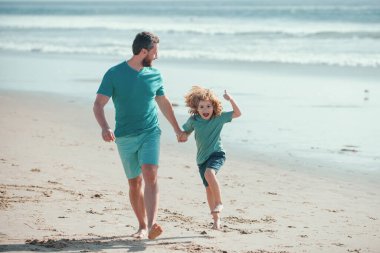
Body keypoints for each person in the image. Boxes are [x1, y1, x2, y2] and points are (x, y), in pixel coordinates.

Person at [93, 31, 184, 240]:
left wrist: (177, 128)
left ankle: (152, 225)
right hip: (124, 136)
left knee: (150, 172)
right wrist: (105, 127)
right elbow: (98, 104)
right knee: (134, 183)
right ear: (144, 51)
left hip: (150, 132)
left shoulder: (155, 74)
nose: (157, 56)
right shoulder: (114, 73)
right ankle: (142, 226)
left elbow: (163, 102)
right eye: (155, 52)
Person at [180, 86, 241, 230]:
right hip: (201, 159)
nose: (205, 109)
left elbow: (238, 113)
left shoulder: (219, 118)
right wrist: (182, 135)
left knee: (209, 173)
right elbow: (186, 132)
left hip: (217, 153)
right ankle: (216, 221)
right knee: (208, 189)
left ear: (214, 107)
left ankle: (219, 202)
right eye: (201, 107)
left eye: (208, 106)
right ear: (196, 108)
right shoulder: (194, 120)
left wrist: (230, 99)